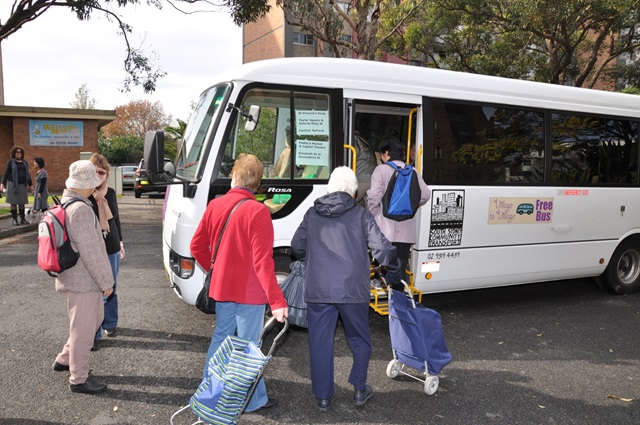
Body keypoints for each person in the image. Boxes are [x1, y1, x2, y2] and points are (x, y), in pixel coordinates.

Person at [290, 166, 399, 412]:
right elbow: (382, 249)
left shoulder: (312, 214)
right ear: (353, 192)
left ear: (330, 188)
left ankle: (323, 397)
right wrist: (395, 265)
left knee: (319, 341)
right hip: (352, 289)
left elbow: (297, 246)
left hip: (319, 288)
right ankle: (360, 389)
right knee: (360, 339)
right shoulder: (360, 216)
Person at [190, 153, 288, 412]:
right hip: (250, 293)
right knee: (247, 346)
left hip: (222, 288)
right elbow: (263, 262)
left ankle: (211, 392)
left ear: (234, 177)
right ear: (257, 185)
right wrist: (277, 301)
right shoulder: (258, 211)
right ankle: (252, 401)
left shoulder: (215, 205)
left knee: (221, 338)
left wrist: (215, 265)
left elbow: (196, 246)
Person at [51, 160, 115, 395]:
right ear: (86, 184)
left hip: (76, 277)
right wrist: (106, 282)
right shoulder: (80, 209)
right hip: (84, 280)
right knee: (84, 329)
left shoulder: (70, 203)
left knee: (91, 320)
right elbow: (92, 252)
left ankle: (65, 358)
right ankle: (78, 378)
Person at [367, 136, 431, 290]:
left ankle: (383, 286)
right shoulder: (412, 170)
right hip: (407, 228)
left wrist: (373, 213)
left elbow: (374, 196)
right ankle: (399, 298)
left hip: (385, 226)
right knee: (400, 262)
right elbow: (425, 194)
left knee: (384, 261)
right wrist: (411, 206)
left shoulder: (381, 169)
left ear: (386, 153)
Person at [88, 153, 125, 341]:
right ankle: (93, 333)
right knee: (94, 292)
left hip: (111, 248)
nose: (98, 175)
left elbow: (116, 219)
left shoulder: (110, 193)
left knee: (111, 287)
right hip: (92, 251)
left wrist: (120, 242)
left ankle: (110, 323)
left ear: (106, 174)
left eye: (101, 172)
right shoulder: (84, 194)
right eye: (94, 172)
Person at [0, 146, 33, 225]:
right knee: (13, 203)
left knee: (22, 203)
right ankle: (14, 219)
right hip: (12, 185)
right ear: (14, 153)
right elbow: (6, 173)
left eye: (20, 152)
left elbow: (27, 174)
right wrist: (2, 184)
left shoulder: (25, 162)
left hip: (22, 185)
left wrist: (31, 185)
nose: (19, 153)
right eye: (17, 152)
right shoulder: (10, 162)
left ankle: (22, 219)